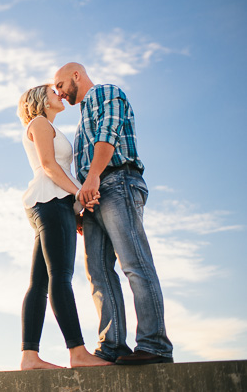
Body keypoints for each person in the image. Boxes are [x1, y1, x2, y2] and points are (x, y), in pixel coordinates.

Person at [53, 62, 174, 365]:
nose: (60, 93)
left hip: (117, 182)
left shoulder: (106, 92)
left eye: (61, 85)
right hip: (94, 195)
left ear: (76, 76)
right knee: (98, 274)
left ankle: (155, 344)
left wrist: (93, 178)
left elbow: (108, 135)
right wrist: (82, 203)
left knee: (135, 263)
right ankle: (112, 345)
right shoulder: (81, 119)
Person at [17, 84, 112, 370]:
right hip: (52, 200)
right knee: (61, 277)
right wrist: (78, 196)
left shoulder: (46, 125)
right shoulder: (40, 122)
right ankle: (78, 353)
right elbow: (48, 165)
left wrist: (73, 207)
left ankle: (29, 358)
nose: (59, 94)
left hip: (51, 204)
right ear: (39, 100)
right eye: (52, 91)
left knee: (40, 282)